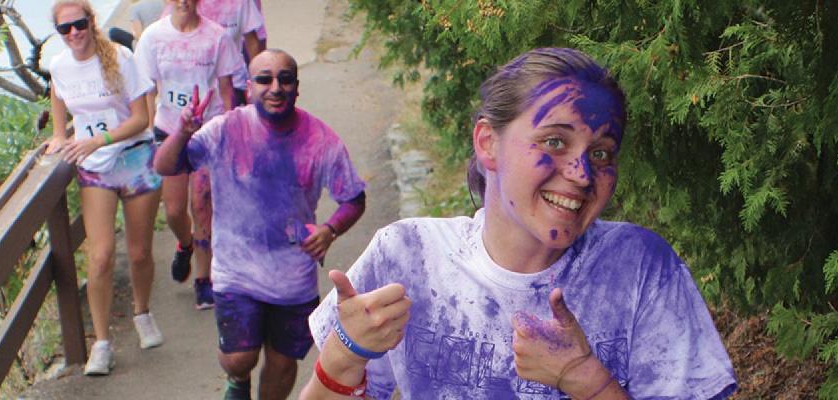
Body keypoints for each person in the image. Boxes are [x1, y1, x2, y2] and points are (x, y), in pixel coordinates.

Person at [299, 48, 738, 399]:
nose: (583, 173)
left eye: (602, 152)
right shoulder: (409, 255)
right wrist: (341, 360)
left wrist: (587, 382)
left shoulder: (641, 270)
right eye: (554, 141)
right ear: (488, 143)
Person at [154, 49, 368, 400]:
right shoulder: (225, 128)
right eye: (265, 79)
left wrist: (330, 230)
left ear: (297, 88)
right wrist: (180, 131)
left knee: (283, 366)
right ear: (249, 87)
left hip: (292, 276)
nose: (276, 87)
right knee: (239, 358)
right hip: (236, 271)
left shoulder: (320, 139)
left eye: (285, 79)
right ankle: (237, 382)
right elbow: (166, 166)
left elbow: (354, 198)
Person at [45, 0, 163, 376]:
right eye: (65, 29)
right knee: (100, 256)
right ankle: (101, 343)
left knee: (140, 251)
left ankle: (142, 313)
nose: (74, 34)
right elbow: (59, 99)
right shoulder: (60, 66)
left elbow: (142, 119)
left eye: (79, 25)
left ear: (91, 22)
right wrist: (59, 135)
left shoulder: (120, 57)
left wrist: (98, 140)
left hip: (134, 157)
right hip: (95, 169)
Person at [134, 0, 243, 309]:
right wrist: (149, 128)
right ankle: (186, 243)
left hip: (208, 132)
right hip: (170, 130)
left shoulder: (217, 37)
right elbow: (148, 90)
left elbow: (226, 90)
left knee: (202, 205)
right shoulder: (154, 37)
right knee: (174, 210)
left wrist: (230, 129)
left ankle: (203, 279)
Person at [194, 0, 264, 106]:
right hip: (196, 83)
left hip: (234, 82)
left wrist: (259, 80)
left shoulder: (241, 2)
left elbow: (253, 42)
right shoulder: (186, 4)